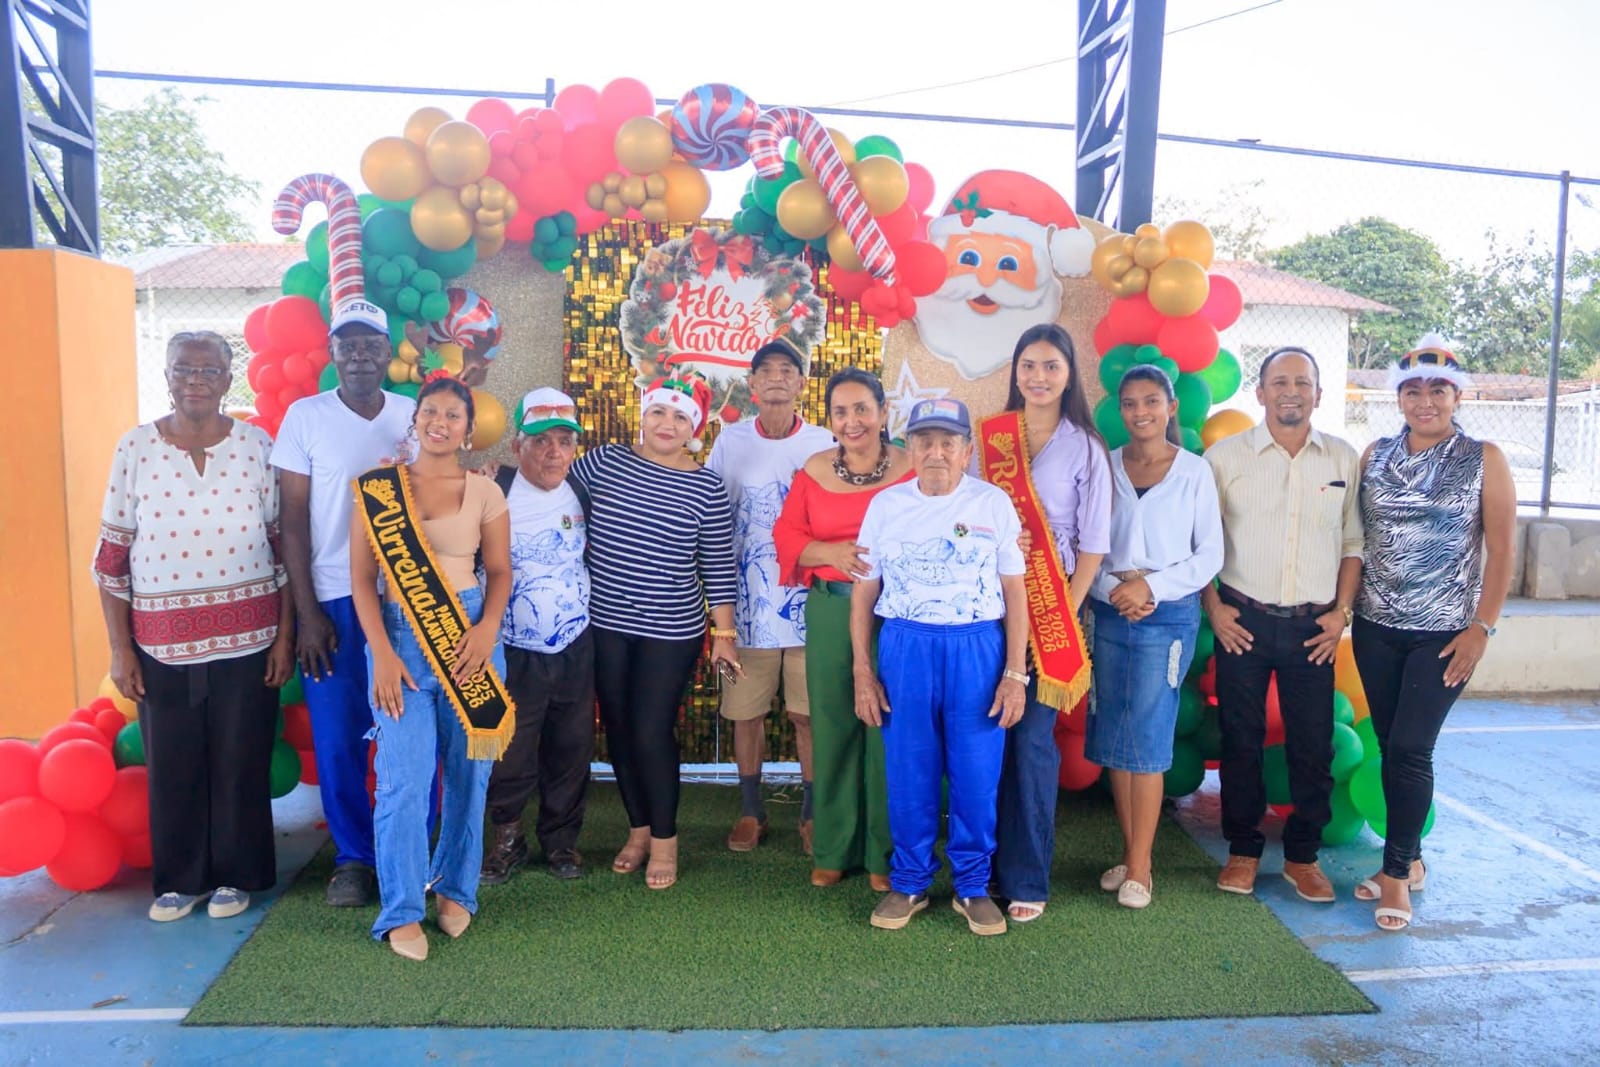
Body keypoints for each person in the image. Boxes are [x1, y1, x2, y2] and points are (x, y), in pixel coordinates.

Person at [93, 331, 294, 922]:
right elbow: (111, 558)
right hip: (161, 643)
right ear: (167, 377)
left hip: (250, 638)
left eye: (209, 371)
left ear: (228, 380)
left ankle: (238, 875)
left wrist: (284, 638)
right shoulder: (136, 447)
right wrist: (120, 648)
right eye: (184, 369)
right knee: (174, 763)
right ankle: (180, 880)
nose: (196, 380)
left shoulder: (256, 446)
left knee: (241, 757)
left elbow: (282, 547)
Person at [1351, 335, 1515, 931]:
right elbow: (1355, 539)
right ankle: (1411, 858)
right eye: (1413, 390)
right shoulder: (1374, 454)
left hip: (1444, 635)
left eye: (1438, 390)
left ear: (1457, 396)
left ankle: (1396, 874)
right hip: (1374, 627)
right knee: (1390, 745)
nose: (1426, 401)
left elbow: (1502, 551)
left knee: (1412, 749)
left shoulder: (1483, 457)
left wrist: (1482, 629)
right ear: (1399, 398)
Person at [348, 372, 513, 961]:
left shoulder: (486, 492)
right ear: (415, 419)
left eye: (453, 415)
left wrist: (487, 629)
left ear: (469, 431)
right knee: (405, 780)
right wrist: (382, 654)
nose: (439, 422)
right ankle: (400, 909)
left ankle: (456, 889)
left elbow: (500, 572)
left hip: (470, 638)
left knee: (469, 776)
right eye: (431, 412)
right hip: (399, 639)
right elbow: (362, 581)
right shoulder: (377, 491)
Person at [852, 397, 1029, 936]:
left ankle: (972, 885)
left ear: (966, 451)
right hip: (906, 647)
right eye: (925, 441)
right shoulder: (885, 506)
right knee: (910, 771)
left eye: (948, 442)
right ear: (909, 450)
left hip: (977, 650)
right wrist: (862, 671)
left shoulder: (992, 503)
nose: (936, 452)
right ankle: (909, 881)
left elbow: (1014, 592)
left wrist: (1015, 674)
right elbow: (864, 593)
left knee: (976, 774)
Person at [273, 298, 418, 907]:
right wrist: (307, 614)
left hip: (407, 598)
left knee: (411, 731)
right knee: (339, 737)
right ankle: (355, 858)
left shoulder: (413, 415)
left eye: (370, 344)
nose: (359, 355)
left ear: (387, 352)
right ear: (332, 352)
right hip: (332, 600)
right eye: (347, 345)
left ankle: (414, 845)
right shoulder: (305, 417)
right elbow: (292, 520)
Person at [1203, 347, 1363, 902]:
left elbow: (1353, 543)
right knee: (1240, 741)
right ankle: (1243, 851)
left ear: (1318, 393)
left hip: (1313, 628)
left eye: (1302, 382)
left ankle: (1302, 857)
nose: (1291, 391)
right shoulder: (1225, 458)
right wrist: (1214, 608)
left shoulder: (1342, 458)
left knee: (1314, 746)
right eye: (1279, 382)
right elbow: (1198, 541)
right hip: (1241, 621)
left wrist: (1341, 614)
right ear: (1261, 392)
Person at [570, 373, 739, 891]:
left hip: (670, 629)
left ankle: (665, 840)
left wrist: (725, 636)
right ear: (642, 415)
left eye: (681, 416)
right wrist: (499, 475)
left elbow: (718, 566)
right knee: (618, 728)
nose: (668, 423)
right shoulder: (604, 462)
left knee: (649, 729)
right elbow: (550, 493)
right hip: (605, 622)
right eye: (659, 412)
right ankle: (638, 831)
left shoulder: (707, 486)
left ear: (696, 428)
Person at [972, 322, 1110, 923]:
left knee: (1030, 742)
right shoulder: (990, 438)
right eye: (1028, 365)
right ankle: (978, 870)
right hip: (986, 607)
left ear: (1070, 374)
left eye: (1051, 366)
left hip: (1053, 611)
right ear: (1015, 371)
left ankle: (1026, 876)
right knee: (984, 739)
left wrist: (1064, 610)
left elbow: (1095, 544)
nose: (1038, 376)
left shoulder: (1087, 446)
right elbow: (965, 517)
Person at [1087, 365, 1223, 909]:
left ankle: (1142, 867)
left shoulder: (1193, 473)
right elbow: (1087, 543)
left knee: (1145, 737)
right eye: (1129, 403)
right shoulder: (1106, 466)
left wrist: (1151, 587)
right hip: (1110, 611)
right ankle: (1129, 853)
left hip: (1166, 616)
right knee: (1117, 738)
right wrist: (1111, 589)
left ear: (1171, 407)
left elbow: (1209, 555)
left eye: (1151, 401)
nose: (1140, 412)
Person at [773, 368, 913, 890]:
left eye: (862, 409)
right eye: (840, 412)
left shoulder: (912, 466)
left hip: (897, 614)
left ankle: (884, 856)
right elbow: (787, 536)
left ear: (883, 412)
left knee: (888, 731)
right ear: (830, 420)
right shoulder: (813, 471)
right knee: (833, 724)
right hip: (832, 610)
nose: (852, 421)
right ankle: (833, 847)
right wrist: (830, 553)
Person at [704, 339, 834, 854]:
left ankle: (812, 813)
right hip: (743, 610)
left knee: (809, 714)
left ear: (802, 383)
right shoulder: (730, 441)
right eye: (766, 370)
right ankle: (750, 810)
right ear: (752, 384)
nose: (777, 377)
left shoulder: (823, 442)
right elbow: (711, 515)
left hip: (810, 606)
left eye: (787, 370)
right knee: (745, 713)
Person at [479, 389, 596, 884]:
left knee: (571, 747)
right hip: (511, 649)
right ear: (516, 446)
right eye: (540, 441)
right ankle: (507, 839)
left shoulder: (583, 490)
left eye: (564, 442)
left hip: (575, 644)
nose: (553, 452)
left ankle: (561, 841)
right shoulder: (492, 489)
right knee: (510, 750)